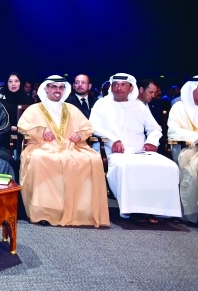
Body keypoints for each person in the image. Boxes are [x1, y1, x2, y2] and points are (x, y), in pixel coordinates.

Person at [18, 75, 110, 227]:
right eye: (54, 87)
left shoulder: (71, 109)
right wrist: (41, 130)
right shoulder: (34, 109)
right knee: (40, 159)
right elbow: (23, 125)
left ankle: (82, 212)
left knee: (93, 159)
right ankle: (43, 211)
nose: (58, 90)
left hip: (71, 147)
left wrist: (80, 134)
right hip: (42, 147)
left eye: (61, 87)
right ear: (46, 88)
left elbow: (87, 127)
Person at [90, 73, 181, 225]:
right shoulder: (102, 103)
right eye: (115, 84)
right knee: (126, 167)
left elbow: (154, 128)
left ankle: (157, 210)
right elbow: (93, 125)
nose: (118, 88)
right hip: (114, 152)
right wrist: (113, 140)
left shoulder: (139, 106)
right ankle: (134, 210)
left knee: (169, 166)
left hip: (140, 151)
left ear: (131, 88)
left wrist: (152, 142)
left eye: (123, 85)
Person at [167, 75, 198, 223]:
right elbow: (173, 131)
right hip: (187, 149)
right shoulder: (179, 107)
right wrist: (195, 138)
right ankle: (192, 213)